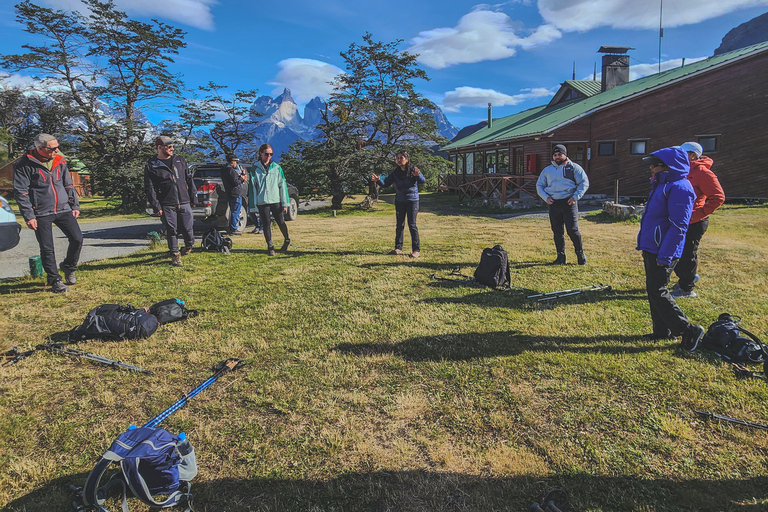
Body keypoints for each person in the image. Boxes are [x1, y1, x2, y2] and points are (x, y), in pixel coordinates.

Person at [636, 147, 704, 351]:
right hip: (652, 246)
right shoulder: (661, 184)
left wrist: (666, 254)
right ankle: (662, 331)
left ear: (668, 166)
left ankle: (688, 329)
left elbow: (679, 225)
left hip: (663, 249)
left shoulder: (680, 188)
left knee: (658, 290)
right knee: (653, 290)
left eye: (654, 164)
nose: (650, 167)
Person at [13, 133, 83, 293]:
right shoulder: (24, 165)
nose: (57, 151)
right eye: (53, 148)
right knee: (47, 248)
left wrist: (75, 205)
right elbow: (21, 192)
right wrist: (29, 216)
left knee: (77, 239)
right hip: (41, 212)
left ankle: (68, 266)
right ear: (40, 149)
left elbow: (68, 184)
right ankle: (55, 280)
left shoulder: (60, 161)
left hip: (64, 208)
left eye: (58, 147)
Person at [669, 142, 725, 298]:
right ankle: (686, 278)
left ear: (693, 155)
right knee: (675, 252)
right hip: (678, 220)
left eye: (683, 153)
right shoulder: (681, 170)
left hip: (694, 222)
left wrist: (696, 214)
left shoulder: (704, 173)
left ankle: (687, 288)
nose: (679, 155)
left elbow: (718, 197)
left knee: (687, 254)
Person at [144, 135, 197, 267]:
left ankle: (189, 245)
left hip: (184, 201)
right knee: (171, 230)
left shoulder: (179, 160)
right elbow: (149, 188)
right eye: (169, 147)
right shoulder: (152, 165)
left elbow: (189, 179)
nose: (172, 149)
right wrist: (156, 206)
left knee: (188, 228)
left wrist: (193, 196)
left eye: (173, 146)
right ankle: (175, 255)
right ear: (159, 147)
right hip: (167, 203)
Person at [535, 144, 590, 265]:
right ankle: (561, 257)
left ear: (565, 154)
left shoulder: (574, 168)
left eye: (560, 154)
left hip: (569, 203)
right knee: (557, 231)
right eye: (555, 155)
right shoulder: (547, 170)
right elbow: (539, 185)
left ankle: (580, 254)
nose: (557, 157)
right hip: (554, 203)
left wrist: (575, 197)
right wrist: (546, 198)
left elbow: (584, 183)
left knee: (573, 230)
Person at [371, 150, 426, 258]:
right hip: (400, 201)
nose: (399, 160)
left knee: (412, 225)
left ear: (407, 159)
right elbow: (385, 184)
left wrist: (417, 175)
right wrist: (378, 180)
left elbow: (422, 181)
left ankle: (416, 250)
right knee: (399, 225)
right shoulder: (395, 172)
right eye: (398, 158)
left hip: (412, 200)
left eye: (401, 158)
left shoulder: (413, 170)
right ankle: (398, 248)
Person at [248, 143, 290, 256]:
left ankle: (287, 239)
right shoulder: (255, 168)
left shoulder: (277, 168)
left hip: (276, 200)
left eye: (271, 154)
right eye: (267, 154)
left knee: (281, 221)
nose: (269, 156)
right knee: (266, 223)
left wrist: (285, 202)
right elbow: (252, 188)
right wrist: (253, 205)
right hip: (262, 201)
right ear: (261, 153)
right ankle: (270, 246)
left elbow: (283, 185)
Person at [222, 154, 248, 235]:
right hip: (235, 193)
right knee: (236, 211)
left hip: (230, 193)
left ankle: (231, 227)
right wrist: (242, 178)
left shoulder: (224, 170)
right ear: (233, 162)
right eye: (236, 162)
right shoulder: (231, 171)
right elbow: (235, 182)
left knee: (233, 210)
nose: (236, 164)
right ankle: (234, 228)